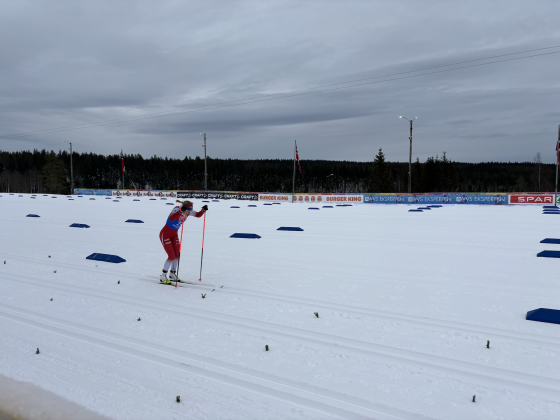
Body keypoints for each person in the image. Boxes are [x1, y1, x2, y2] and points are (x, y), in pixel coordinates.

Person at [159, 200, 208, 284]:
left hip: (174, 235)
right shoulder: (177, 209)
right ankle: (163, 275)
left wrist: (203, 210)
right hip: (165, 234)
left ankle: (172, 274)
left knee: (177, 255)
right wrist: (180, 212)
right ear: (183, 208)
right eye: (188, 210)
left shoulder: (188, 212)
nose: (189, 212)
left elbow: (198, 215)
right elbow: (170, 219)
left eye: (190, 210)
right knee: (171, 256)